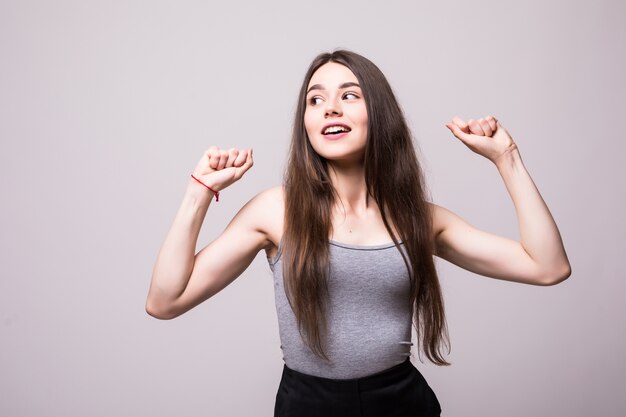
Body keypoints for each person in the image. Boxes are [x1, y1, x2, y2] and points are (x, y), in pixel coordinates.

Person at [145, 50, 571, 417]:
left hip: (402, 403)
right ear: (307, 124)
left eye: (349, 95)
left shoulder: (419, 220)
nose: (330, 108)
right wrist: (198, 194)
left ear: (379, 114)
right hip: (307, 406)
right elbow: (165, 301)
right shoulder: (277, 210)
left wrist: (507, 159)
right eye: (316, 100)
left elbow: (548, 267)